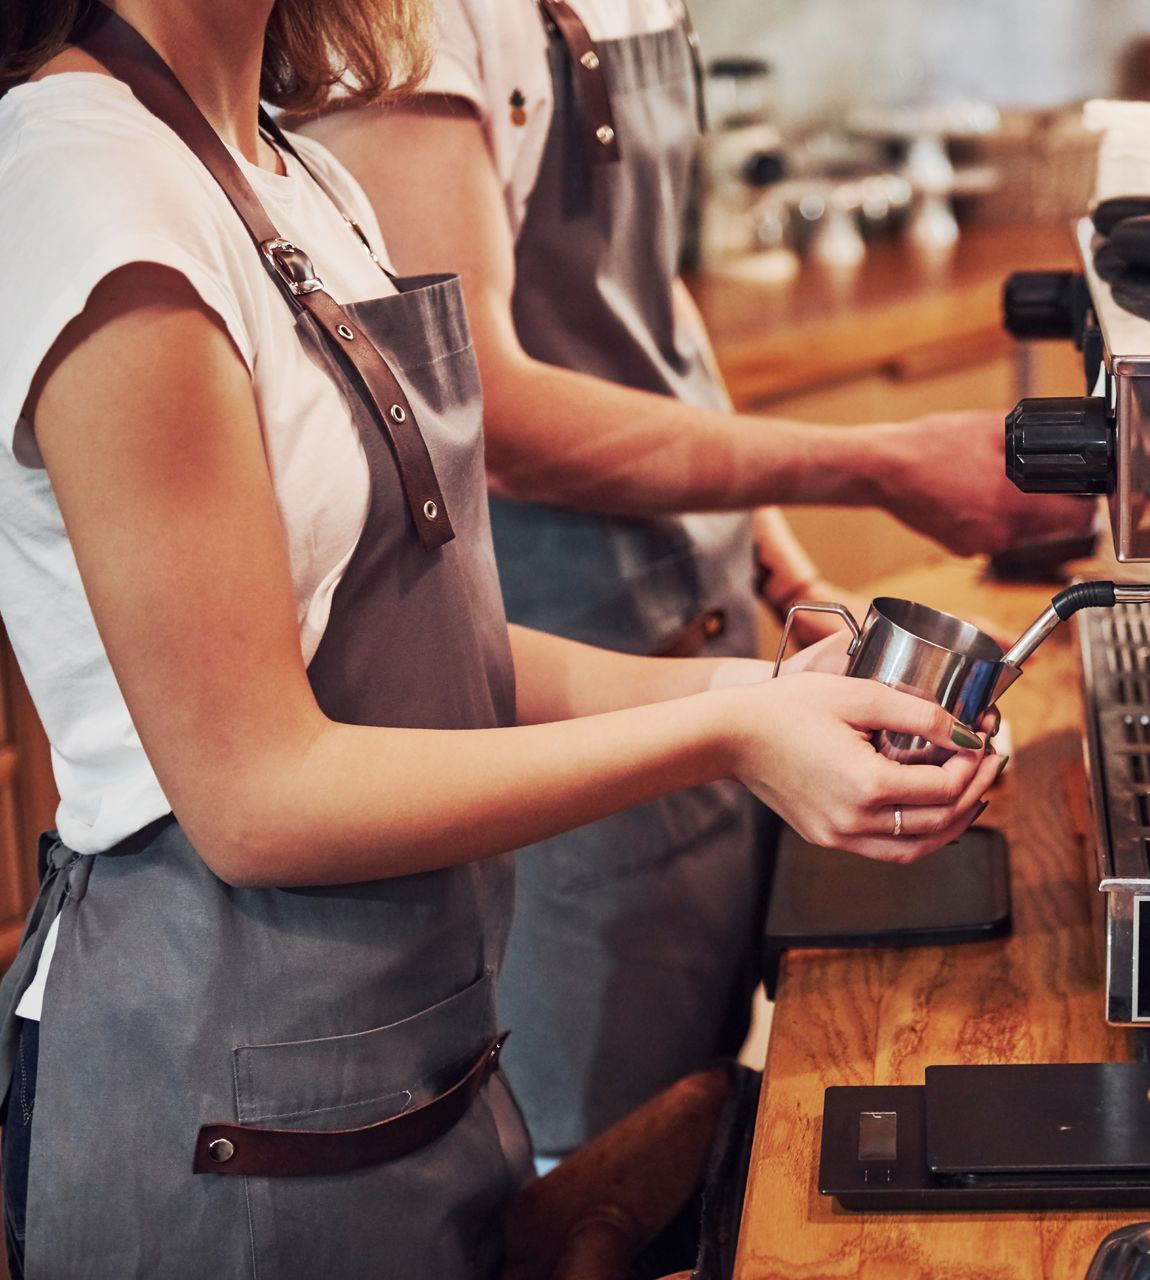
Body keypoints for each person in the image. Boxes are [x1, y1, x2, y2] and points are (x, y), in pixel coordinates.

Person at [0, 0, 1001, 1273]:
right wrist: (730, 734)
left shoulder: (287, 171)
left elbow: (436, 655)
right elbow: (255, 792)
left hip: (410, 1077)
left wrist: (766, 684)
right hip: (231, 1127)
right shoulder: (91, 193)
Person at [298, 0, 1085, 1163]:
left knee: (713, 1125)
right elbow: (489, 411)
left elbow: (650, 310)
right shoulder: (415, 24)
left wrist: (783, 565)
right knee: (601, 1161)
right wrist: (871, 461)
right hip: (566, 663)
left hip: (705, 641)